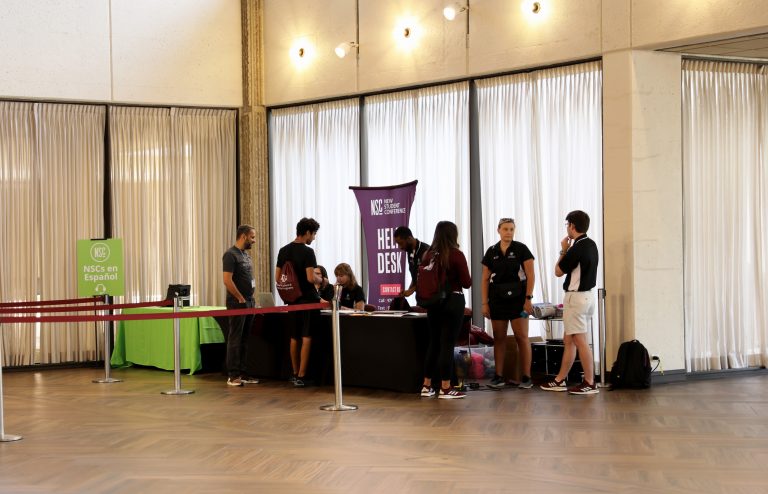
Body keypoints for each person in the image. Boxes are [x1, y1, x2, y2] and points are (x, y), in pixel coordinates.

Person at [540, 210, 600, 395]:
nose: (567, 228)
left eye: (567, 225)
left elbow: (558, 271)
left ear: (572, 225)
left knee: (580, 340)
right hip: (587, 297)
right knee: (569, 340)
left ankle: (590, 382)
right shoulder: (591, 244)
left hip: (576, 298)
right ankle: (559, 379)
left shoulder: (578, 247)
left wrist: (563, 249)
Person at [481, 218, 535, 390]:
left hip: (519, 300)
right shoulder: (492, 251)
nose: (509, 232)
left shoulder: (521, 249)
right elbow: (484, 279)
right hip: (497, 300)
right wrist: (484, 303)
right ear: (499, 230)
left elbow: (531, 275)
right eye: (505, 229)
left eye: (512, 229)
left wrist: (528, 299)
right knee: (499, 338)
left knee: (522, 337)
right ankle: (499, 376)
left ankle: (526, 377)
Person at [420, 221, 472, 399]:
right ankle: (445, 387)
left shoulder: (428, 255)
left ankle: (426, 386)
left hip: (433, 303)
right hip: (453, 301)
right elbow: (467, 282)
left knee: (434, 343)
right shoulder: (456, 254)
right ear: (453, 235)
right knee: (447, 345)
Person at [276, 217, 323, 387]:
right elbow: (311, 278)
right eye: (314, 234)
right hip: (308, 299)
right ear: (308, 232)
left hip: (292, 300)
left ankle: (294, 373)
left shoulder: (283, 250)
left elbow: (277, 278)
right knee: (307, 336)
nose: (314, 238)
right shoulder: (308, 252)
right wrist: (320, 278)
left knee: (294, 337)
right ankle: (303, 376)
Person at [222, 225, 259, 387]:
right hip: (237, 303)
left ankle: (243, 373)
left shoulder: (246, 255)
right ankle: (233, 375)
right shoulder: (230, 255)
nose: (254, 240)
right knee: (235, 338)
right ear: (243, 236)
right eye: (252, 237)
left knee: (245, 338)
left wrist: (251, 299)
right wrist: (239, 297)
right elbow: (227, 280)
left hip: (249, 301)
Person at [393, 226, 431, 298]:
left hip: (431, 298)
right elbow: (415, 276)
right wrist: (408, 291)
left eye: (401, 243)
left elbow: (428, 278)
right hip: (421, 297)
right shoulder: (410, 251)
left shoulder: (426, 251)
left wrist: (412, 290)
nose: (400, 247)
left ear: (409, 239)